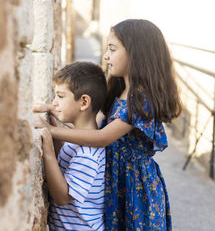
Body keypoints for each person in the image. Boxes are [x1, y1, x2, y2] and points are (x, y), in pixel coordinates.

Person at [34, 19, 182, 230]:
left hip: (134, 184)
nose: (106, 56)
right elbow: (88, 124)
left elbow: (102, 138)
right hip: (117, 178)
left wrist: (51, 131)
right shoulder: (121, 91)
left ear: (136, 53)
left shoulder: (141, 100)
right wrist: (56, 112)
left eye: (112, 49)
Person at [35, 61, 107, 231]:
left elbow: (62, 197)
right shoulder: (77, 138)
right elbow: (65, 166)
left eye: (60, 96)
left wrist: (48, 150)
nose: (54, 103)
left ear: (83, 102)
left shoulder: (88, 154)